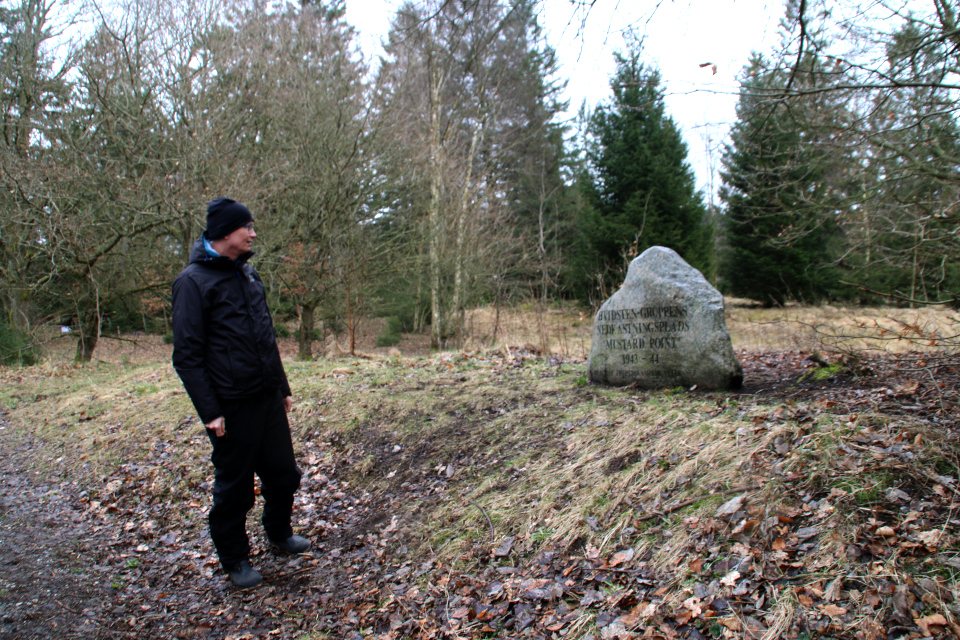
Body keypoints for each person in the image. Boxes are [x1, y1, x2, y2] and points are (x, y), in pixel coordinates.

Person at [171, 197, 309, 588]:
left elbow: (266, 339)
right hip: (230, 407)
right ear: (224, 233)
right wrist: (210, 411)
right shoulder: (192, 283)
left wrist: (281, 386)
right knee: (234, 489)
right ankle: (235, 560)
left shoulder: (248, 276)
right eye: (246, 227)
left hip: (266, 399)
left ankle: (279, 534)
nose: (253, 233)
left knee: (284, 475)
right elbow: (187, 357)